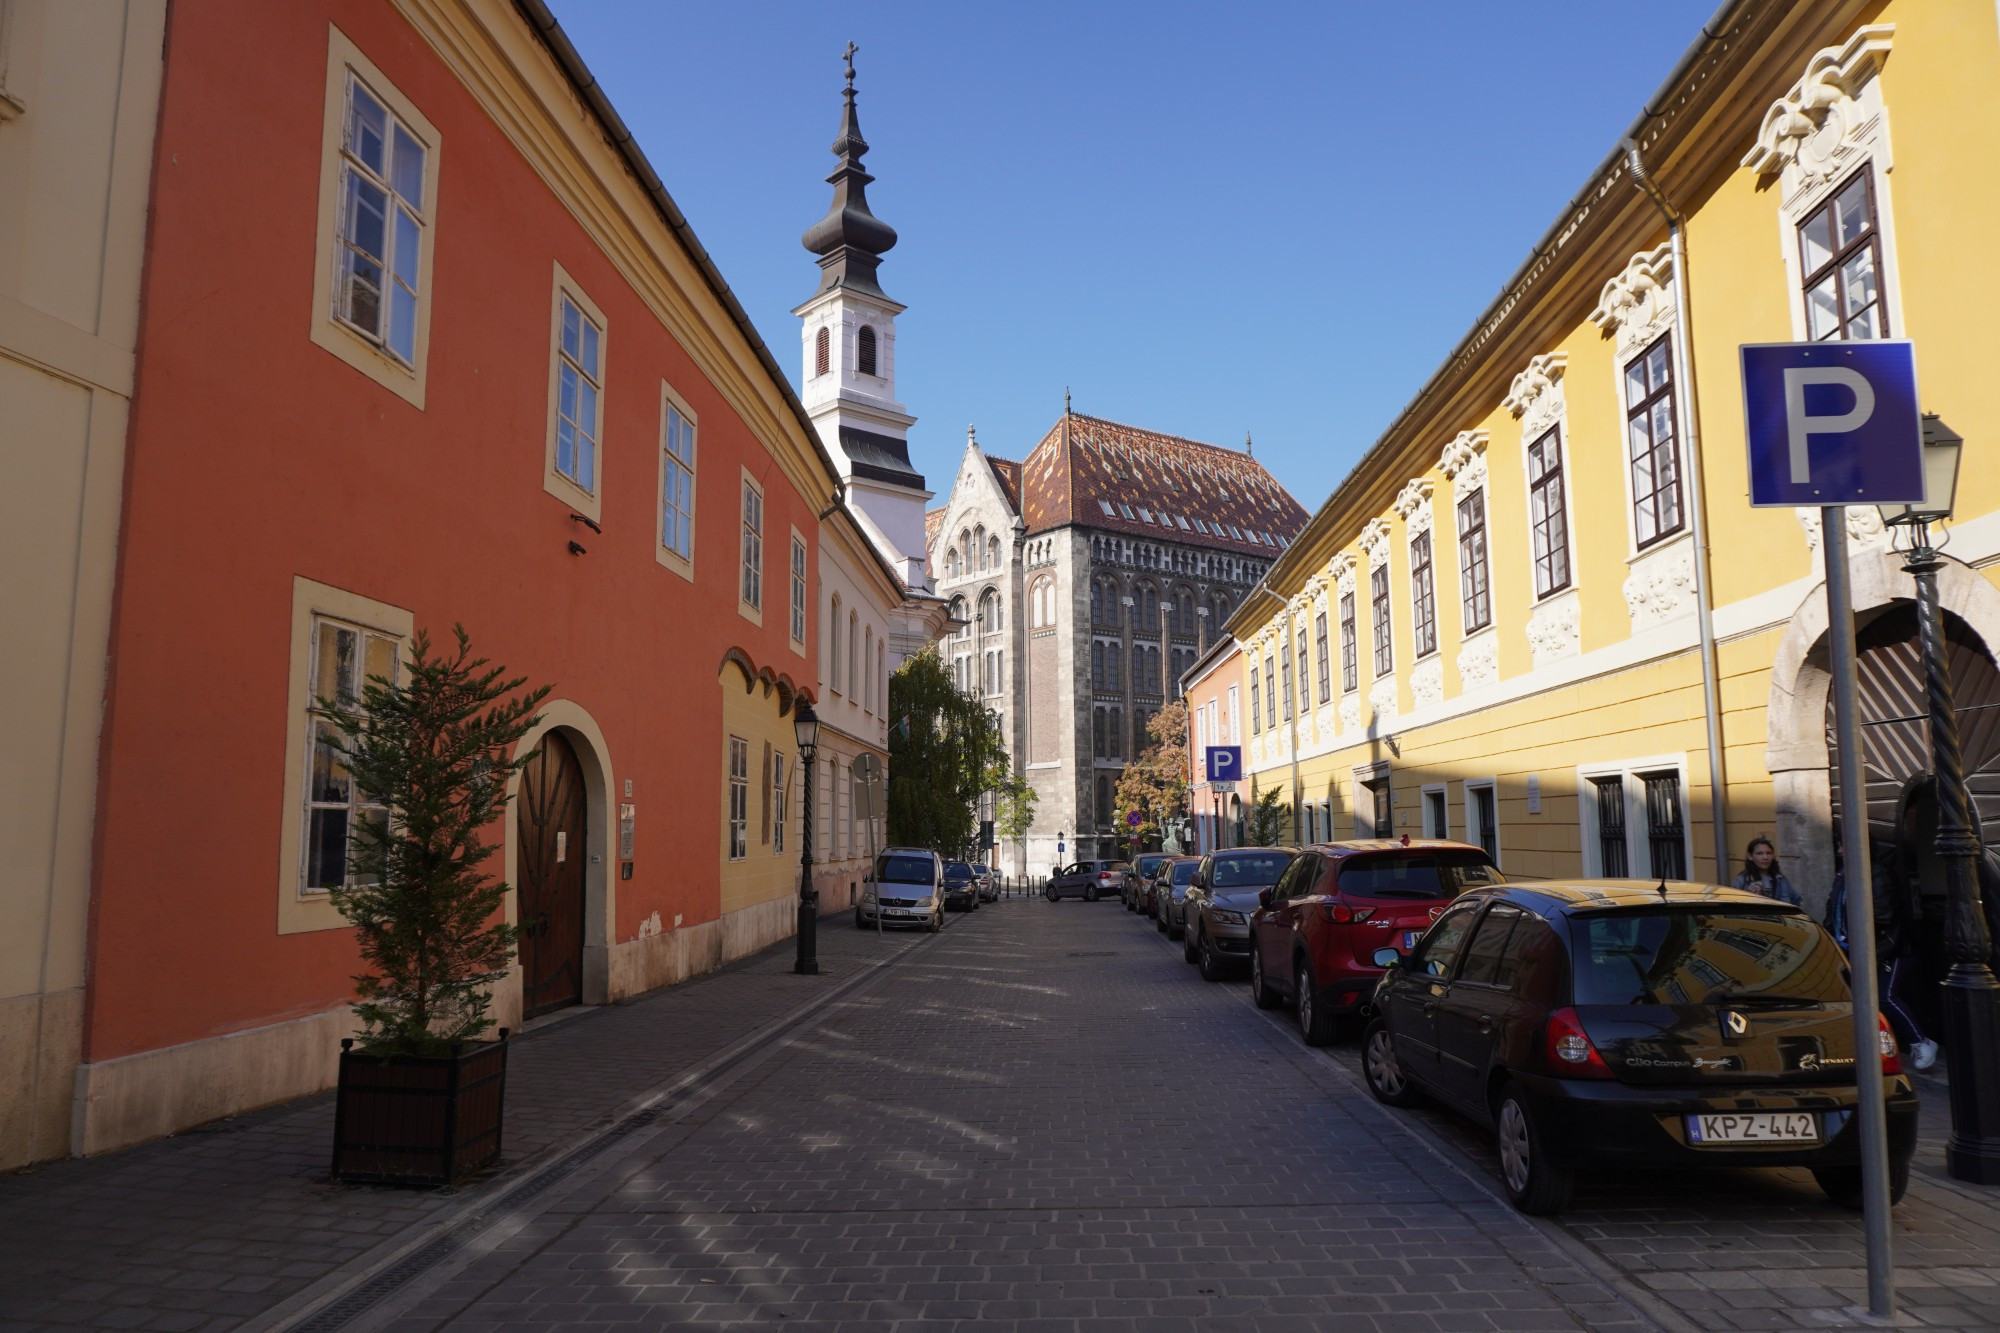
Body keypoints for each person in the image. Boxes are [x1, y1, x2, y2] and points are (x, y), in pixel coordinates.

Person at [1826, 834, 1939, 1071]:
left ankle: (1922, 1042)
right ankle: (1878, 1047)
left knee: (1884, 997)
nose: (1840, 849)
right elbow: (1833, 910)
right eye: (1839, 845)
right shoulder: (1843, 875)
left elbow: (1882, 916)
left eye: (1844, 844)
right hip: (1854, 949)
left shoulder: (1877, 874)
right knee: (1860, 1000)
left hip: (1888, 948)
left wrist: (1860, 944)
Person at [1731, 835, 1802, 906]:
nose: (1765, 857)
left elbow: (1796, 900)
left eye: (1768, 853)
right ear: (1750, 856)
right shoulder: (1742, 881)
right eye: (1759, 853)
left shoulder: (1780, 879)